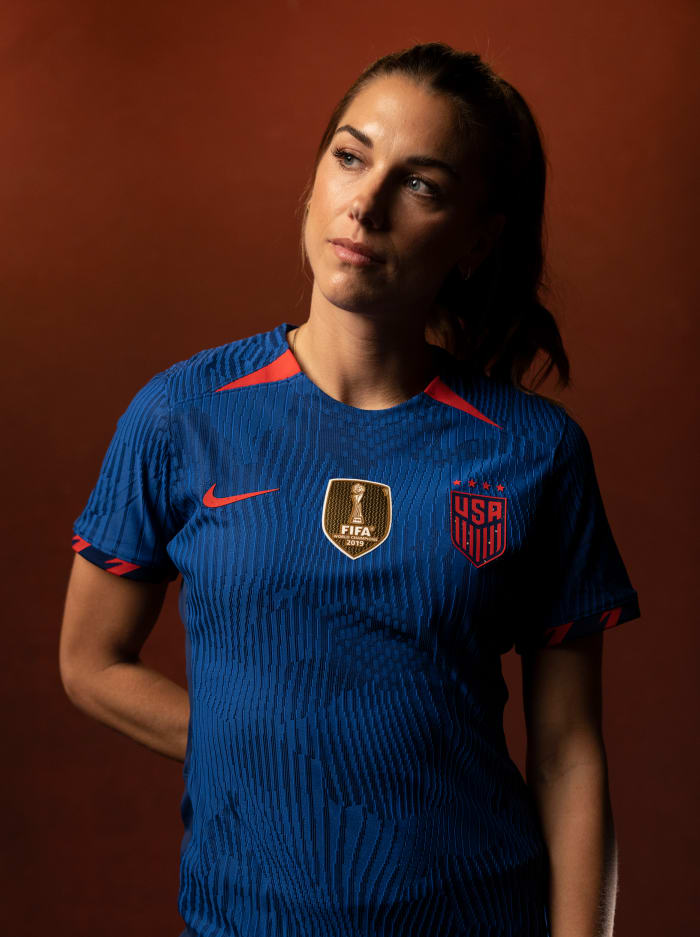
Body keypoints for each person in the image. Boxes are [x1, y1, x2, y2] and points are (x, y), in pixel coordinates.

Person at [59, 42, 641, 937]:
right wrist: (271, 743)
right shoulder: (183, 415)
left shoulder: (535, 451)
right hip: (248, 917)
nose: (364, 204)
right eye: (350, 155)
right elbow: (89, 661)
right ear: (316, 176)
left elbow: (568, 755)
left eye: (421, 184)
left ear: (477, 238)